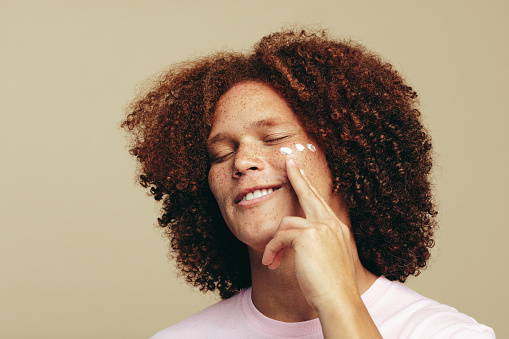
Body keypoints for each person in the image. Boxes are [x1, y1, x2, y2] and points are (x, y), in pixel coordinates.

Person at [121, 29, 495, 338]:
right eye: (221, 153)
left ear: (345, 156)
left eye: (274, 139)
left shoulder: (445, 333)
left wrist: (336, 300)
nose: (242, 161)